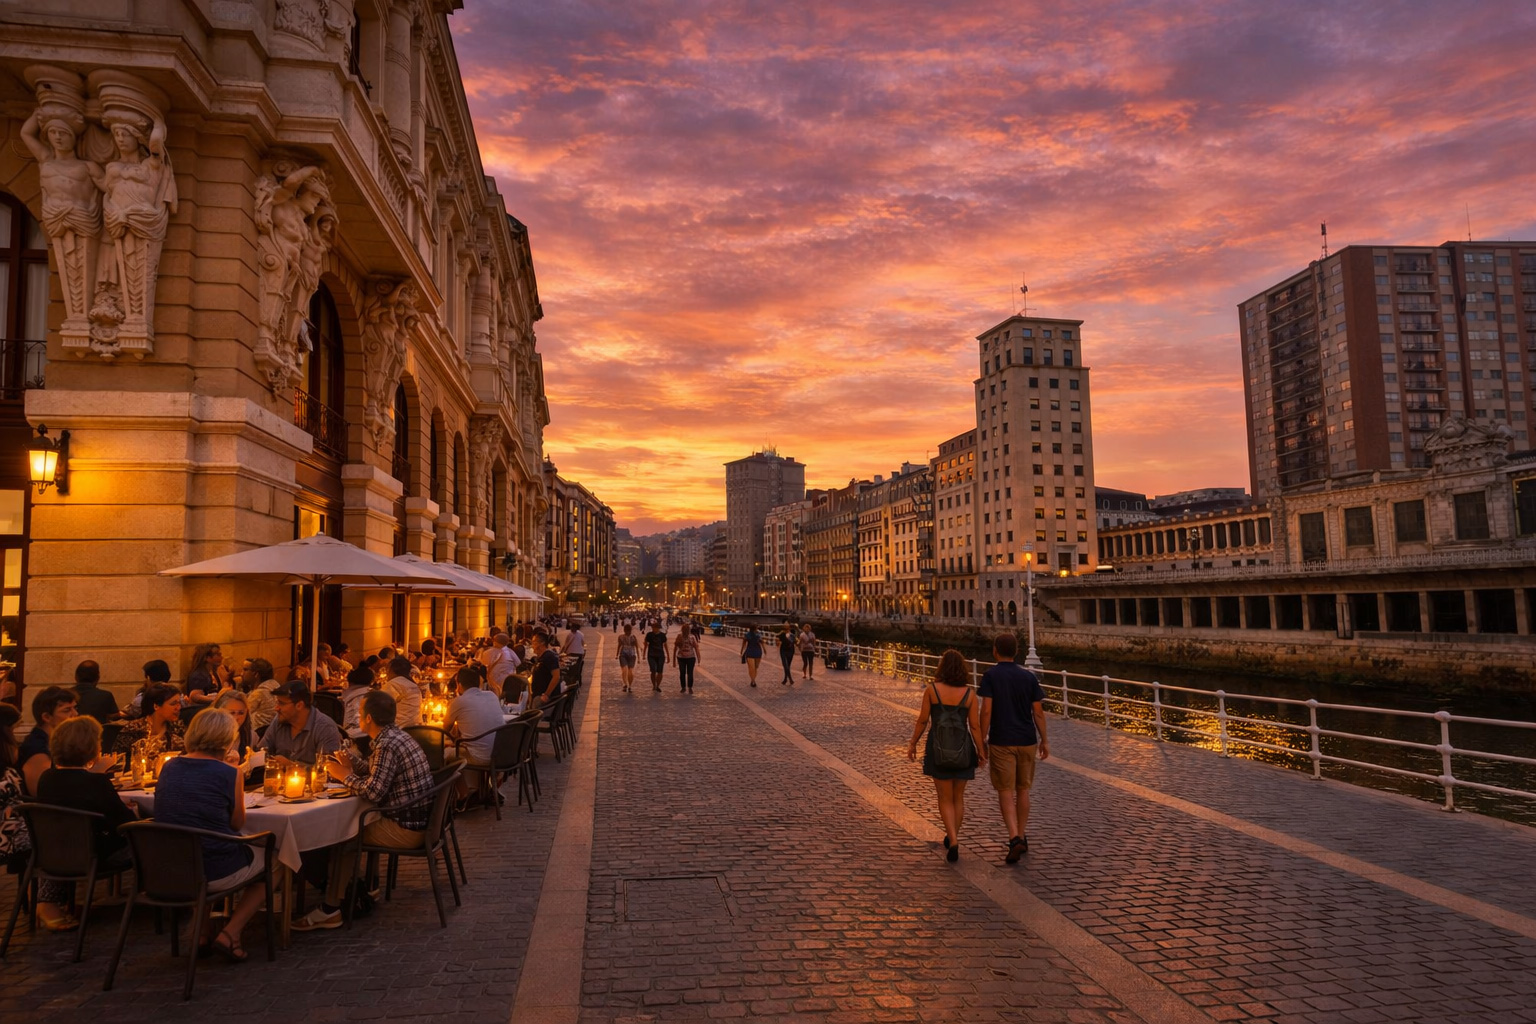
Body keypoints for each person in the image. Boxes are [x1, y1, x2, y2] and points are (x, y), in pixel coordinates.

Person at [294, 690, 433, 931]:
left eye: (359, 713)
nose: (357, 716)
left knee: (345, 835)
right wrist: (351, 763)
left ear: (368, 718)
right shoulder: (394, 737)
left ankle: (330, 907)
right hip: (418, 820)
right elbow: (377, 773)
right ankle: (367, 885)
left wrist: (344, 776)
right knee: (352, 825)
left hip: (407, 828)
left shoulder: (386, 745)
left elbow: (374, 793)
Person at [153, 708, 271, 961]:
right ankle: (232, 932)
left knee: (200, 846)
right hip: (213, 869)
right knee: (277, 858)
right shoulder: (229, 772)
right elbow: (237, 823)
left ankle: (200, 929)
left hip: (169, 867)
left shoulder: (169, 767)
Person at [35, 716, 136, 927]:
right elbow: (124, 823)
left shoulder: (47, 778)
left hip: (55, 852)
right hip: (96, 855)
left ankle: (52, 901)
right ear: (91, 746)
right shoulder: (96, 782)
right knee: (145, 837)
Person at [907, 650, 986, 863]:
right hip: (963, 750)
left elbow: (923, 721)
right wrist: (981, 751)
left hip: (938, 749)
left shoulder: (932, 691)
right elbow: (975, 727)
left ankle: (952, 840)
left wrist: (913, 743)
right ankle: (953, 837)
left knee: (944, 797)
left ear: (941, 668)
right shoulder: (969, 695)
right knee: (958, 798)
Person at [978, 633, 1049, 863]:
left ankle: (1014, 838)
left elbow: (986, 710)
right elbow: (1037, 711)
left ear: (995, 651)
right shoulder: (1028, 677)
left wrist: (981, 740)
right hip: (1027, 740)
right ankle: (1022, 834)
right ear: (1016, 651)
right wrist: (1044, 740)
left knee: (1005, 791)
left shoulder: (990, 676)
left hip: (1002, 741)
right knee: (1023, 790)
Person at [445, 666, 504, 799]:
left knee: (445, 755)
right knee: (464, 745)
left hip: (480, 757)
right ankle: (484, 789)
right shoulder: (491, 695)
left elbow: (445, 729)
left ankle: (464, 794)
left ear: (459, 685)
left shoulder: (459, 701)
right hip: (501, 753)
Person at [257, 681, 345, 766]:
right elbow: (261, 752)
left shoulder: (325, 728)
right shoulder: (279, 721)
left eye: (281, 703)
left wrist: (292, 767)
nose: (276, 708)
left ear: (299, 705)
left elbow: (329, 770)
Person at [111, 684, 184, 756]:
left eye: (179, 703)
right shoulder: (133, 729)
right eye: (173, 704)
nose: (178, 708)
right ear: (156, 706)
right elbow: (118, 759)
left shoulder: (177, 728)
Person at [381, 656, 423, 727]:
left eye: (387, 670)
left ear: (392, 670)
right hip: (415, 727)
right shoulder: (413, 684)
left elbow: (379, 706)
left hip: (400, 728)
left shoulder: (393, 684)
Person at [212, 688, 254, 760]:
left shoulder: (251, 736)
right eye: (232, 713)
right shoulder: (208, 735)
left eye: (241, 713)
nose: (236, 718)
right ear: (219, 712)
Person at [478, 633, 521, 697]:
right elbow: (518, 663)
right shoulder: (510, 652)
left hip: (493, 682)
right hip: (507, 681)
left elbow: (483, 664)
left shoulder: (488, 652)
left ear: (496, 642)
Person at [528, 632, 562, 706]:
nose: (532, 645)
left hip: (543, 698)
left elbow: (556, 676)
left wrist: (546, 694)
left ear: (542, 643)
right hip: (537, 694)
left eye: (534, 642)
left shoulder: (549, 656)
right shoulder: (540, 658)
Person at [340, 665, 374, 732]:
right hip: (362, 734)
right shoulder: (368, 695)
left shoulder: (350, 695)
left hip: (351, 733)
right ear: (371, 682)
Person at [673, 620, 700, 695]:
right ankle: (685, 687)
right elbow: (675, 648)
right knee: (684, 673)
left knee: (688, 673)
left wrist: (698, 658)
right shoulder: (680, 636)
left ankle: (688, 687)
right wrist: (674, 661)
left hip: (689, 657)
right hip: (683, 657)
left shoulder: (692, 637)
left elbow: (696, 647)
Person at [643, 621, 668, 693]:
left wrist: (668, 655)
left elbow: (665, 645)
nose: (654, 629)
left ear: (659, 628)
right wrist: (644, 654)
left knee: (660, 672)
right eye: (653, 628)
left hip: (660, 655)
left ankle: (658, 685)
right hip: (651, 655)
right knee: (653, 670)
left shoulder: (662, 635)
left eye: (656, 628)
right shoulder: (649, 635)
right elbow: (646, 644)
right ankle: (654, 685)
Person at [616, 623, 639, 693]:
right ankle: (625, 684)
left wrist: (639, 658)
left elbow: (637, 647)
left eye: (629, 630)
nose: (628, 632)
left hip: (632, 655)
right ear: (624, 630)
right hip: (623, 654)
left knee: (630, 671)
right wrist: (617, 654)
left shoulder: (633, 637)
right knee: (625, 669)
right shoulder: (621, 637)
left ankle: (630, 686)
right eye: (626, 630)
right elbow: (619, 645)